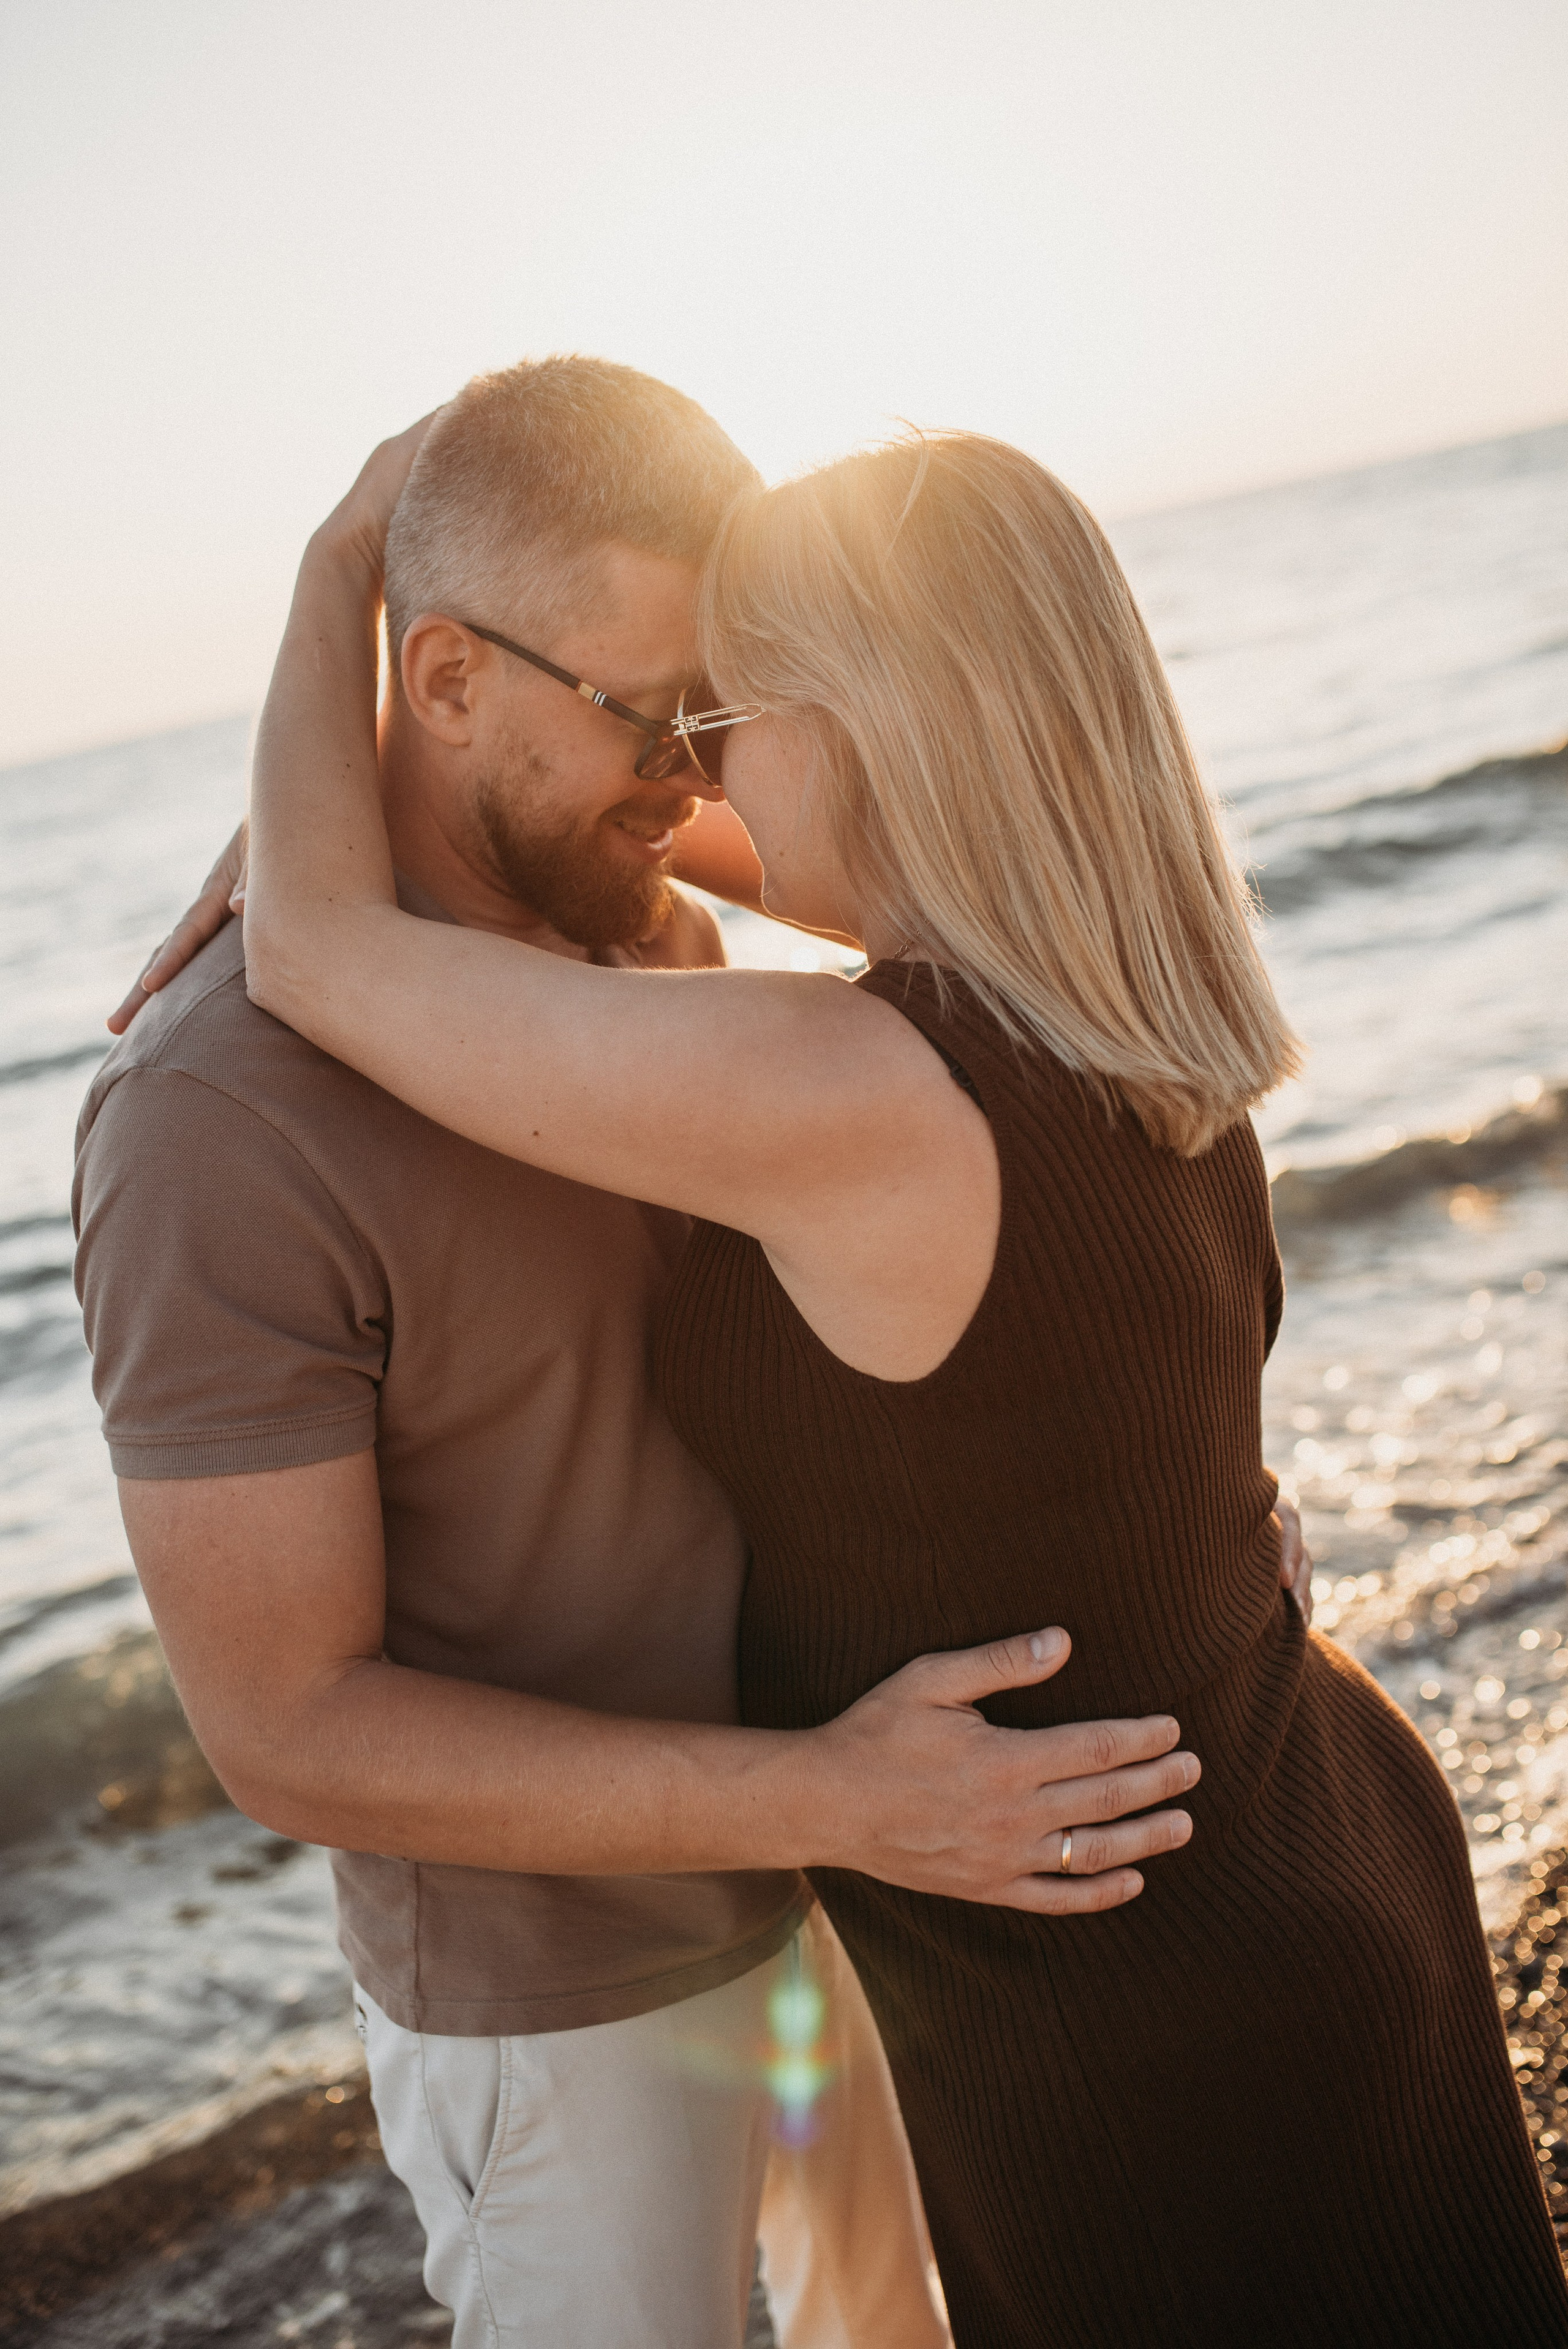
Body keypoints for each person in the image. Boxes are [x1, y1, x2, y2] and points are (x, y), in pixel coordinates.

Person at [235, 409, 1568, 2348]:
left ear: (866, 727)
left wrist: (345, 558)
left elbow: (314, 949)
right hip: (1311, 1859)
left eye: (729, 716)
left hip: (1153, 2036)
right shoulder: (1131, 1005)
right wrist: (438, 767)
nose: (697, 770)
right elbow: (556, 832)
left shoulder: (857, 1092)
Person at [78, 360, 1226, 2349]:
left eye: (726, 712)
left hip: (886, 1873)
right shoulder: (215, 1115)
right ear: (439, 679)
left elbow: (1052, 1165)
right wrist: (824, 1795)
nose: (703, 781)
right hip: (576, 2009)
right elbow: (283, 1726)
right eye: (654, 713)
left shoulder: (650, 943)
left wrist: (1200, 1512)